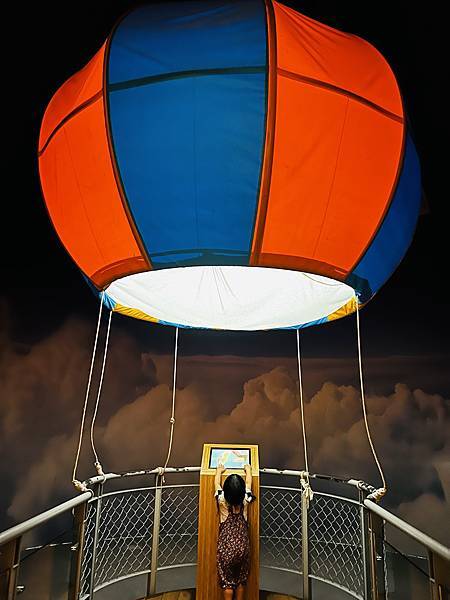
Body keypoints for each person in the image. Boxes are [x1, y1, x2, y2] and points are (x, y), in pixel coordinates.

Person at [214, 463, 255, 599]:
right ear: (242, 491)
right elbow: (249, 482)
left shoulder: (222, 502)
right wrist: (248, 470)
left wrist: (219, 471)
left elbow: (216, 484)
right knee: (241, 581)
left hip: (226, 551)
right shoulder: (246, 500)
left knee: (228, 583)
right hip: (243, 549)